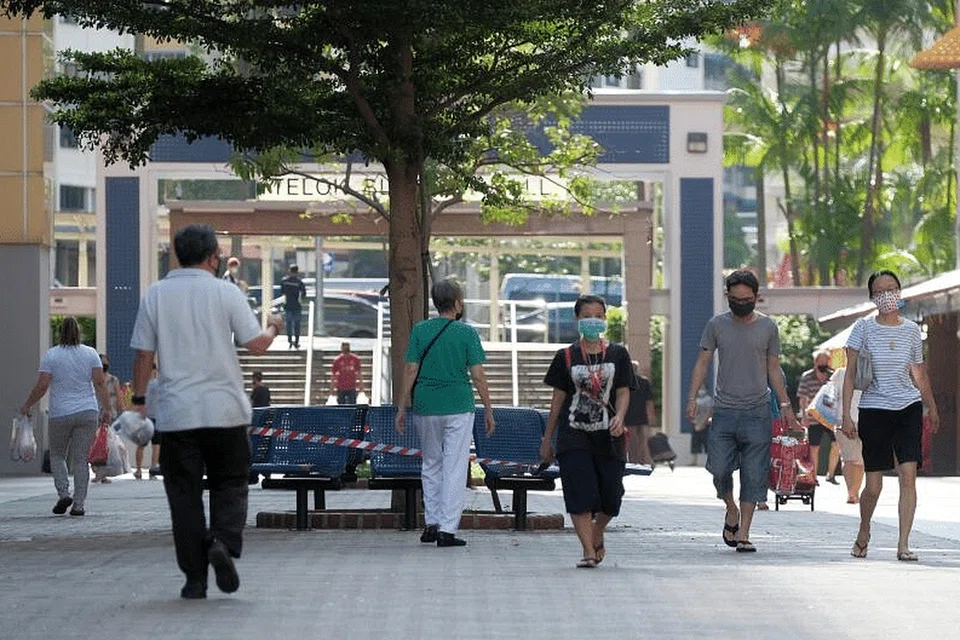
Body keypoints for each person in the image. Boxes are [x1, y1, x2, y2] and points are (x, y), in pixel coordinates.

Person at [129, 224, 283, 599]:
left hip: (177, 415)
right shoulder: (225, 292)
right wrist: (274, 327)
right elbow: (256, 345)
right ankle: (223, 542)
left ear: (177, 255)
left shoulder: (156, 295)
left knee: (183, 497)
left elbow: (144, 356)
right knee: (230, 484)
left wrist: (139, 402)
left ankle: (194, 580)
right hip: (225, 410)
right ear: (214, 257)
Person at [686, 269, 796, 553]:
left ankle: (744, 532)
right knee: (719, 468)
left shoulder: (768, 327)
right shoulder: (716, 325)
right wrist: (692, 398)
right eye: (735, 299)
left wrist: (785, 406)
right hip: (724, 410)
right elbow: (702, 362)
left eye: (747, 299)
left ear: (756, 297)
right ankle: (730, 507)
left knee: (753, 473)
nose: (741, 304)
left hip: (758, 411)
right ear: (728, 297)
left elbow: (774, 368)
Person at [842, 270, 939, 562]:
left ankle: (903, 543)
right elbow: (850, 375)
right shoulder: (863, 328)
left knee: (908, 476)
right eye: (880, 291)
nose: (887, 295)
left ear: (899, 292)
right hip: (874, 410)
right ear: (873, 297)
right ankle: (864, 530)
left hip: (908, 407)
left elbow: (919, 372)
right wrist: (846, 415)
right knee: (873, 485)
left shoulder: (911, 330)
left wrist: (931, 406)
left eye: (892, 289)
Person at [395, 277, 495, 548]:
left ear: (436, 303)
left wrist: (402, 406)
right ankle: (447, 529)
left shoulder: (420, 330)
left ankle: (431, 523)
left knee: (431, 463)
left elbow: (410, 369)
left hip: (426, 405)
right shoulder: (467, 333)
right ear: (458, 303)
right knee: (454, 466)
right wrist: (488, 409)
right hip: (459, 406)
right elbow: (478, 375)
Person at [540, 294, 635, 568]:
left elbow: (624, 391)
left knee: (612, 496)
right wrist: (547, 439)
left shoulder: (618, 354)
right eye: (586, 316)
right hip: (574, 434)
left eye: (598, 316)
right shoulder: (566, 356)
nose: (593, 321)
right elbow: (557, 401)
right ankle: (588, 551)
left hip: (609, 436)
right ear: (577, 320)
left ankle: (597, 530)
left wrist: (620, 417)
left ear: (605, 318)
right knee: (579, 492)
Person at [19, 317, 110, 517]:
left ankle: (63, 493)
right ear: (79, 332)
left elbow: (42, 386)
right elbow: (100, 383)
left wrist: (27, 405)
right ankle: (78, 505)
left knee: (57, 455)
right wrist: (107, 409)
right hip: (87, 412)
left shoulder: (51, 355)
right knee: (81, 459)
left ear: (60, 332)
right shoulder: (91, 353)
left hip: (60, 413)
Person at [798, 349, 837, 485]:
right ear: (815, 362)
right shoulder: (807, 377)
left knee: (837, 444)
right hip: (813, 417)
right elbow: (803, 398)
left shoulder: (833, 376)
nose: (823, 364)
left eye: (825, 362)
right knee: (814, 447)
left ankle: (830, 474)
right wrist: (804, 416)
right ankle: (813, 476)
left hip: (830, 417)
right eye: (821, 362)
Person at [92, 352, 128, 483]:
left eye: (106, 363)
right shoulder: (92, 380)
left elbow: (119, 396)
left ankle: (104, 473)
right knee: (95, 444)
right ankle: (97, 471)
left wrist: (123, 411)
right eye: (102, 363)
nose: (104, 366)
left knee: (107, 445)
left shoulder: (113, 380)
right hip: (95, 414)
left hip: (109, 416)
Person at [830, 366, 864, 504]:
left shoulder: (840, 373)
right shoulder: (872, 372)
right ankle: (854, 492)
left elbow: (831, 395)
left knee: (850, 459)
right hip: (862, 418)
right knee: (858, 460)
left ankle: (852, 492)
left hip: (844, 419)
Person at [624, 360, 656, 465]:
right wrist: (652, 416)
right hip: (642, 416)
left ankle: (633, 461)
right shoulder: (644, 382)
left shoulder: (625, 382)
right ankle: (642, 460)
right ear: (637, 369)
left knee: (632, 442)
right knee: (643, 441)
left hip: (629, 416)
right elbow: (649, 401)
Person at [136, 362, 163, 480]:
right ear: (154, 370)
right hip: (156, 418)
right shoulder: (158, 384)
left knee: (141, 445)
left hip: (144, 418)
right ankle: (153, 470)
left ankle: (138, 470)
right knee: (156, 445)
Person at [280, 264, 306, 349]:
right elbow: (303, 294)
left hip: (287, 305)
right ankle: (296, 341)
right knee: (297, 324)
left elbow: (282, 292)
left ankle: (290, 340)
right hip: (297, 306)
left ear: (289, 271)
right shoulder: (299, 282)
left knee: (289, 324)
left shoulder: (284, 281)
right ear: (297, 272)